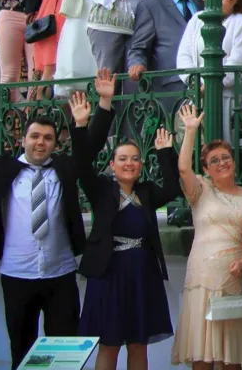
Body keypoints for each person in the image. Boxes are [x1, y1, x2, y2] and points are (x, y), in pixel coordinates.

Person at [0, 68, 114, 369]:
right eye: (34, 136)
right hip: (17, 274)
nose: (40, 142)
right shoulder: (6, 169)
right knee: (22, 352)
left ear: (55, 144)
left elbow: (89, 150)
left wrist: (104, 103)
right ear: (23, 140)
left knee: (64, 354)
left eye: (47, 138)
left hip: (60, 275)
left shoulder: (63, 168)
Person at [74, 104, 181, 370]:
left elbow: (172, 188)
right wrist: (80, 126)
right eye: (122, 159)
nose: (129, 163)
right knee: (109, 344)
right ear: (112, 165)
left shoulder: (146, 193)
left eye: (134, 158)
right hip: (108, 274)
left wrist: (165, 152)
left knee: (138, 343)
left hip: (142, 275)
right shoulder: (100, 190)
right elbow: (81, 165)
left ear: (141, 164)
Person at [171, 104, 242, 370]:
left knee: (232, 357)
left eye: (225, 158)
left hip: (236, 278)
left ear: (234, 161)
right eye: (214, 161)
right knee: (203, 356)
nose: (221, 163)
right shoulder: (201, 190)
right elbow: (183, 169)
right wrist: (190, 131)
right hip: (202, 280)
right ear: (206, 169)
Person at [176, 0, 242, 142]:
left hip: (226, 98)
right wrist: (197, 84)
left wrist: (210, 85)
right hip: (197, 95)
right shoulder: (197, 18)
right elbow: (184, 55)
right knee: (194, 145)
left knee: (222, 145)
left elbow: (237, 61)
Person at [127, 0, 201, 101]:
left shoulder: (202, 5)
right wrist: (137, 63)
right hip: (171, 88)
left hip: (204, 85)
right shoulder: (150, 7)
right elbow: (138, 47)